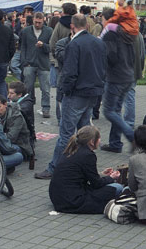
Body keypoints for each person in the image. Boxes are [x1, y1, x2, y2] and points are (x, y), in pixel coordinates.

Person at [35, 14, 105, 179]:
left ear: (72, 26)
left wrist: (64, 91)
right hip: (92, 92)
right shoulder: (98, 43)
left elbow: (70, 71)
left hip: (76, 92)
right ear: (87, 25)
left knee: (66, 134)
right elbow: (103, 68)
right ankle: (81, 165)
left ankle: (54, 168)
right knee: (84, 132)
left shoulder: (74, 44)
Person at [48, 126, 123, 214]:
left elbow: (80, 174)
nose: (100, 141)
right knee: (118, 187)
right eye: (99, 138)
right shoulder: (88, 155)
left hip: (58, 197)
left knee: (111, 187)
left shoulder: (72, 149)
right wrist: (111, 177)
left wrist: (102, 175)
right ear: (91, 141)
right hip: (72, 200)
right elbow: (96, 184)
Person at [100, 0, 139, 153]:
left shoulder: (111, 32)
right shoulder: (129, 32)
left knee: (108, 110)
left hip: (116, 76)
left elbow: (111, 56)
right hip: (128, 74)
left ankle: (131, 137)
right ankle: (115, 144)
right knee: (116, 110)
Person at [20, 12, 53, 118]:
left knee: (46, 88)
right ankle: (27, 107)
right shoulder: (26, 31)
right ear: (33, 20)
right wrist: (24, 61)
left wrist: (43, 45)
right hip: (29, 63)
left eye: (39, 22)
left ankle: (46, 108)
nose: (37, 24)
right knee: (28, 87)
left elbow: (51, 47)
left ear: (43, 21)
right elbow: (23, 47)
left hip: (43, 63)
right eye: (36, 22)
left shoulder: (49, 31)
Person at [50, 3, 77, 119]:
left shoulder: (59, 24)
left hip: (61, 62)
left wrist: (56, 55)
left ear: (64, 11)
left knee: (60, 90)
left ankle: (60, 116)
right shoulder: (78, 23)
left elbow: (52, 43)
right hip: (76, 63)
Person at [0, 94, 32, 162]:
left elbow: (11, 138)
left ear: (5, 104)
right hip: (6, 143)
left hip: (20, 146)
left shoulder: (16, 116)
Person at [7, 81, 36, 162]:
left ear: (20, 95)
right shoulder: (14, 101)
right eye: (8, 93)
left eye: (11, 93)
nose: (8, 96)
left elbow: (17, 110)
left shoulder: (26, 104)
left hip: (23, 140)